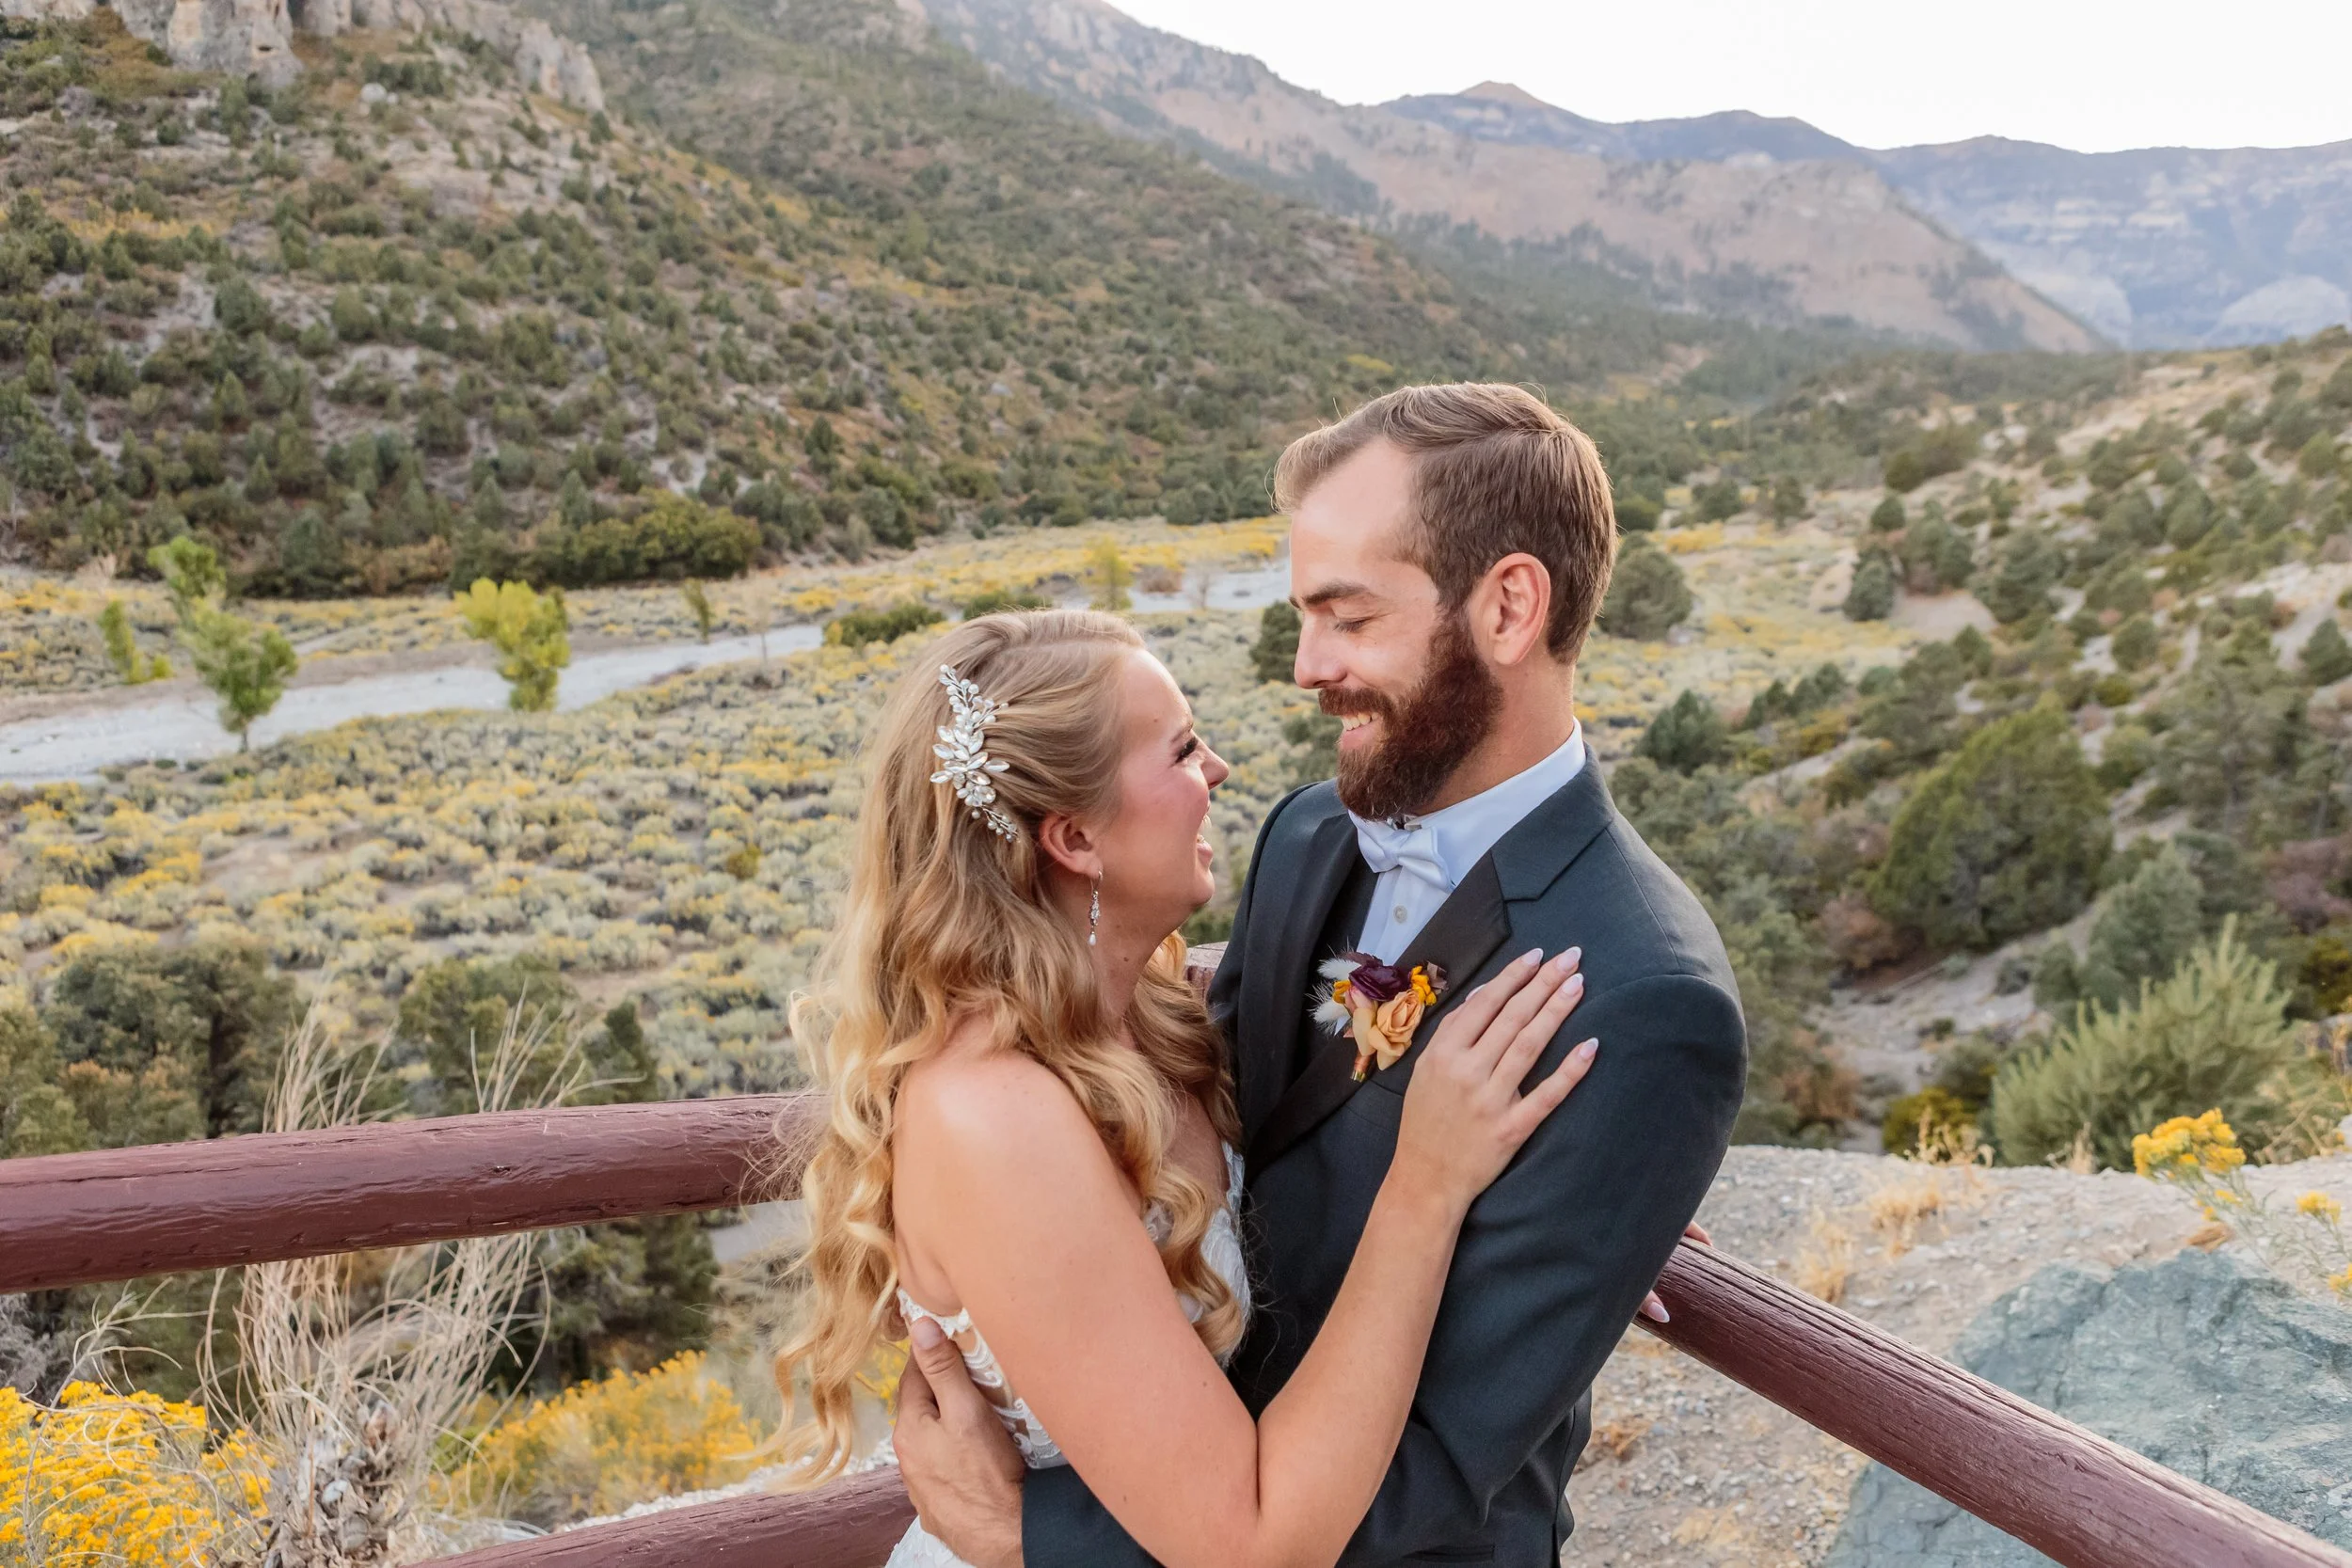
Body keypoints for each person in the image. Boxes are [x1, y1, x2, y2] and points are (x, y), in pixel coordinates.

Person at [891, 383, 1749, 1567]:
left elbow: (1426, 1484)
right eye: (1304, 616)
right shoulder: (1309, 834)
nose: (1305, 667)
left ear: (1507, 606)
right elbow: (1252, 1106)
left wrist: (1027, 1531)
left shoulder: (1642, 1000)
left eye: (1346, 617)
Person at [776, 608, 1598, 1568]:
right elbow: (1249, 1542)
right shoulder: (994, 1113)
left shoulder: (1151, 1015)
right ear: (1076, 836)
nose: (1217, 770)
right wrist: (1428, 1184)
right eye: (1180, 749)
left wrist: (1575, 1181)